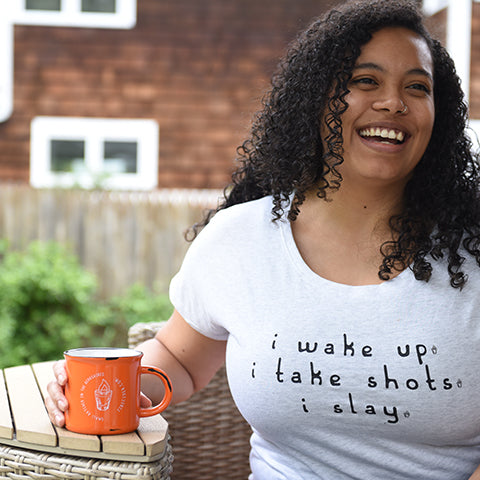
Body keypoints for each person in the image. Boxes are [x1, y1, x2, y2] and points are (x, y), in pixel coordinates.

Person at [46, 0, 480, 478]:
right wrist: (100, 389)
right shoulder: (241, 241)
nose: (393, 102)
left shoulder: (472, 255)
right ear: (317, 98)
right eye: (365, 81)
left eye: (417, 87)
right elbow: (178, 361)